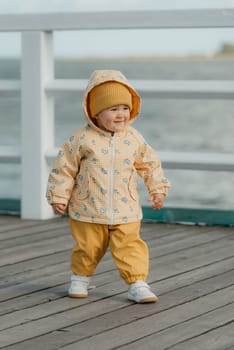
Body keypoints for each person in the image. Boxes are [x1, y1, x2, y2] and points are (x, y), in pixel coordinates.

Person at [46, 70, 170, 303]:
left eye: (125, 108)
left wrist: (157, 189)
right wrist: (59, 196)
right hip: (88, 208)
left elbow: (150, 164)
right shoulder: (81, 139)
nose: (121, 114)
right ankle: (80, 278)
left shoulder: (133, 138)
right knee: (88, 247)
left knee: (130, 246)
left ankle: (137, 283)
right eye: (113, 110)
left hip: (126, 208)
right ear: (96, 113)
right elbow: (64, 168)